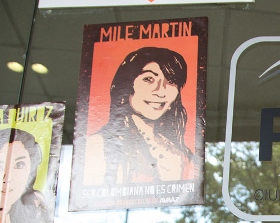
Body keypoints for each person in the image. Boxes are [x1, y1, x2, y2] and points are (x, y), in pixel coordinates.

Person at [84, 47, 199, 185]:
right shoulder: (98, 145)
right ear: (127, 85)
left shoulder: (181, 155)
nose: (160, 91)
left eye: (170, 81)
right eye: (149, 79)